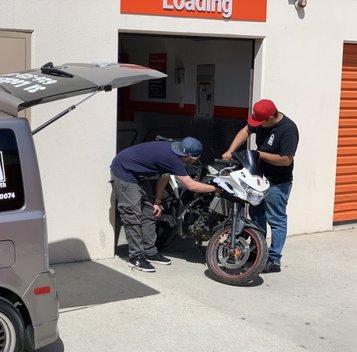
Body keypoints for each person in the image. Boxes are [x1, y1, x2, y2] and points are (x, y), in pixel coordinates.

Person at [111, 137, 219, 272]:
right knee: (132, 216)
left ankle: (150, 252)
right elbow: (191, 185)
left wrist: (157, 201)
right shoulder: (173, 160)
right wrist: (216, 189)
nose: (195, 161)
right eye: (194, 159)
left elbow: (164, 176)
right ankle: (136, 257)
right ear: (188, 157)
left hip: (140, 175)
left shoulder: (174, 151)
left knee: (149, 213)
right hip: (124, 172)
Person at [222, 99, 299, 273]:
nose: (258, 126)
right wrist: (231, 150)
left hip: (278, 182)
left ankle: (273, 260)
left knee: (276, 219)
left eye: (261, 122)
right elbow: (246, 130)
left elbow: (286, 159)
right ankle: (257, 251)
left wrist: (259, 154)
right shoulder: (262, 121)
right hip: (258, 178)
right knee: (256, 215)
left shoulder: (288, 130)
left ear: (271, 117)